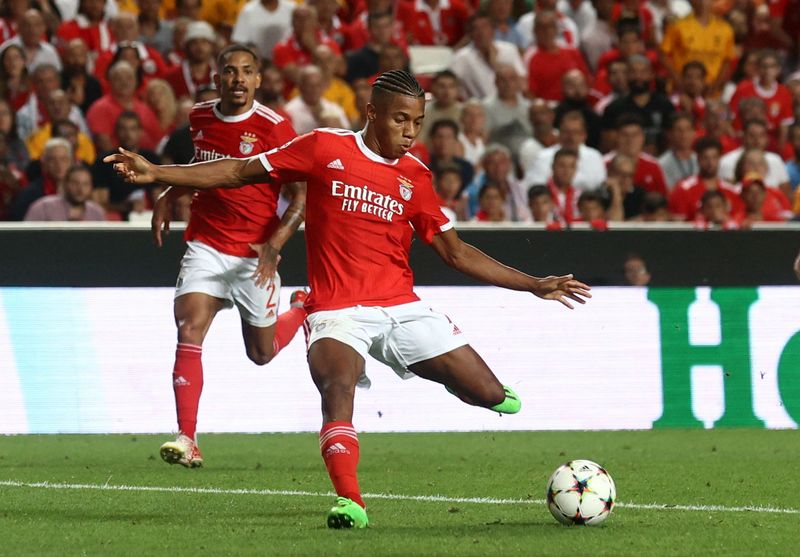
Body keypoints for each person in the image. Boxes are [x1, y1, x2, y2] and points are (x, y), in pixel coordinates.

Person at [106, 69, 591, 528]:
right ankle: (350, 501)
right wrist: (156, 173)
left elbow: (456, 252)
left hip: (401, 306)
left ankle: (449, 377)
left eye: (417, 122)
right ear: (371, 112)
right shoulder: (323, 148)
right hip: (336, 309)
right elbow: (237, 171)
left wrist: (532, 284)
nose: (410, 131)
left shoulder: (415, 177)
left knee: (490, 395)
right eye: (401, 119)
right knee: (337, 388)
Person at [127, 44, 310, 469]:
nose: (238, 79)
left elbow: (300, 197)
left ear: (259, 80)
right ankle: (187, 437)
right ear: (217, 78)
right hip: (206, 245)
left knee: (260, 353)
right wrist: (170, 194)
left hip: (254, 254)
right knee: (188, 328)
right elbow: (201, 166)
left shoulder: (276, 127)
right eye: (230, 71)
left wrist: (275, 246)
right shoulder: (200, 117)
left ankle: (302, 308)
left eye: (247, 71)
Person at [24, 163, 105, 221]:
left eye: (85, 184)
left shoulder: (96, 212)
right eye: (75, 183)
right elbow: (27, 237)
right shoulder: (43, 207)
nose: (81, 189)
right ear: (65, 184)